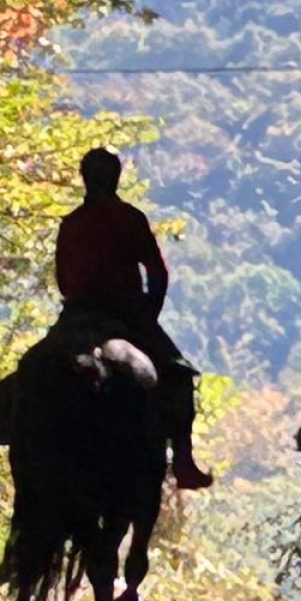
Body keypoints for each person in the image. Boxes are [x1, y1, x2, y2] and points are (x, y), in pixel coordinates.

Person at [54, 147, 214, 490]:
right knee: (178, 374)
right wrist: (148, 315)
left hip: (77, 316)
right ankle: (184, 462)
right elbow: (157, 273)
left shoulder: (71, 224)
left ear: (85, 178)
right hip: (125, 313)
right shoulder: (130, 218)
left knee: (36, 362)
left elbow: (63, 282)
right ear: (116, 178)